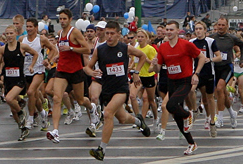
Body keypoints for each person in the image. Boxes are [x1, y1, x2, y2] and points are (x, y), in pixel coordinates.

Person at [85, 21, 149, 161]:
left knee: (108, 113)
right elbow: (87, 67)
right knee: (122, 118)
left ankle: (101, 149)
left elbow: (142, 56)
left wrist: (136, 72)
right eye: (107, 33)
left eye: (112, 34)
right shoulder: (100, 50)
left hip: (121, 89)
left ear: (119, 34)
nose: (109, 36)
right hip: (107, 89)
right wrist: (92, 72)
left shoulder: (125, 48)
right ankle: (139, 122)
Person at [150, 20, 204, 156]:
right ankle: (191, 143)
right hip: (171, 81)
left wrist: (196, 73)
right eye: (167, 30)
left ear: (178, 31)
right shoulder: (162, 47)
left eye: (171, 30)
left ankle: (188, 114)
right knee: (176, 115)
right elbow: (157, 68)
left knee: (170, 105)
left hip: (185, 81)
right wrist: (155, 64)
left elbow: (201, 57)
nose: (168, 32)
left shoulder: (186, 45)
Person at [46, 9, 97, 143]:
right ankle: (55, 131)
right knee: (57, 98)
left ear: (70, 19)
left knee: (80, 100)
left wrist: (72, 48)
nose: (62, 21)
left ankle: (92, 108)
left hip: (75, 71)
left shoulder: (74, 32)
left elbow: (87, 49)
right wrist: (56, 58)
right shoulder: (59, 33)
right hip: (62, 70)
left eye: (64, 19)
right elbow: (62, 52)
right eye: (60, 19)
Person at [209, 17, 243, 129]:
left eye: (223, 25)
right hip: (215, 67)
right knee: (221, 93)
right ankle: (231, 113)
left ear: (227, 26)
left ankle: (220, 118)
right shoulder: (211, 38)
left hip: (227, 67)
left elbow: (242, 45)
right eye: (219, 25)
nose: (220, 27)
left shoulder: (231, 38)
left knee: (220, 89)